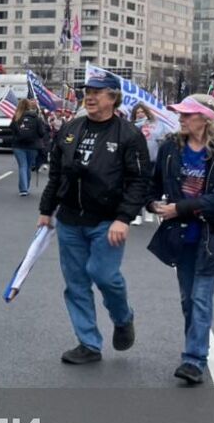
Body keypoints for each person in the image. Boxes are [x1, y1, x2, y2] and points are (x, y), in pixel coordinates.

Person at [38, 69, 147, 364]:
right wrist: (46, 210)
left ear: (113, 98)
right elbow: (57, 173)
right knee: (75, 283)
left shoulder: (129, 135)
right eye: (88, 91)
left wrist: (124, 218)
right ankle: (88, 343)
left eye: (97, 92)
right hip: (70, 220)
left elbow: (139, 181)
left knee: (105, 276)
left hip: (107, 221)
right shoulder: (70, 128)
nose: (90, 96)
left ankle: (123, 318)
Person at [146, 94, 214, 385]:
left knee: (200, 299)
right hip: (180, 236)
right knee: (189, 299)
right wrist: (153, 205)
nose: (182, 119)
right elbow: (154, 185)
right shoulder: (170, 149)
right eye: (181, 114)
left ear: (205, 118)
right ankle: (196, 347)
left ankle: (194, 359)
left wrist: (180, 208)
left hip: (211, 237)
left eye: (188, 114)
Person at [129, 103, 171, 225]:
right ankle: (137, 213)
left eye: (142, 111)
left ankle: (149, 209)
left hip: (154, 159)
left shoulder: (157, 125)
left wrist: (163, 139)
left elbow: (167, 136)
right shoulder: (131, 126)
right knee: (138, 186)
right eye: (137, 112)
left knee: (151, 186)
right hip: (138, 160)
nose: (140, 114)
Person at [10, 98, 47, 196]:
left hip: (18, 145)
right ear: (29, 106)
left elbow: (12, 130)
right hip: (32, 146)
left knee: (22, 166)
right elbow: (42, 133)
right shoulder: (36, 117)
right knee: (28, 166)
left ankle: (23, 189)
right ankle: (26, 187)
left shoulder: (16, 117)